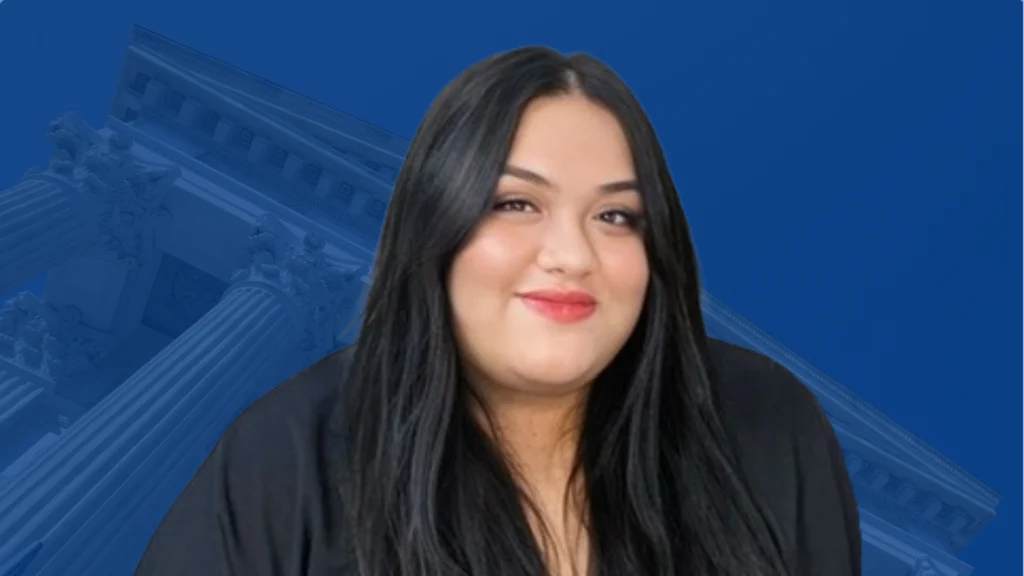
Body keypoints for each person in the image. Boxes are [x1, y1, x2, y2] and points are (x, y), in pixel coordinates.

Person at [134, 47, 861, 576]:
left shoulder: (766, 429)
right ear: (437, 227)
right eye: (516, 203)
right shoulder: (292, 454)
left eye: (616, 216)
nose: (571, 255)